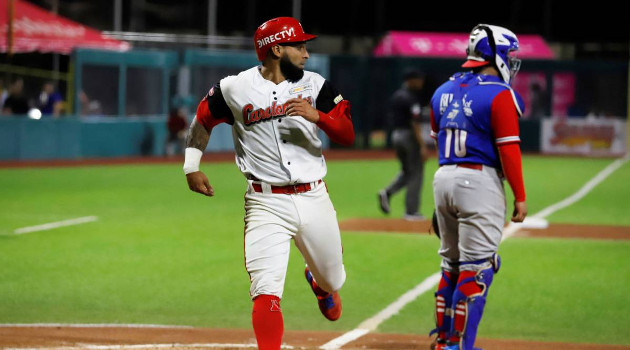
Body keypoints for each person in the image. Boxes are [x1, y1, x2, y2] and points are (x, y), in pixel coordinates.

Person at [182, 17, 354, 350]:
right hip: (265, 202)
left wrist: (319, 116)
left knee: (333, 278)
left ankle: (320, 285)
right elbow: (203, 118)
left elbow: (347, 134)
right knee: (266, 290)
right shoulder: (234, 88)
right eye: (299, 45)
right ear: (276, 49)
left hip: (313, 195)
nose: (306, 53)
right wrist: (191, 167)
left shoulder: (316, 85)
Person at [428, 24, 528, 350]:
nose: (511, 62)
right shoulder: (500, 92)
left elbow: (439, 142)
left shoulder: (442, 90)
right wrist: (520, 197)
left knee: (451, 266)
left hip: (443, 178)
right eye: (508, 55)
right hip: (478, 180)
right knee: (478, 270)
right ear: (494, 54)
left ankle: (444, 340)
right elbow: (509, 149)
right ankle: (462, 346)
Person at [377, 69, 428, 220]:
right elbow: (415, 122)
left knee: (407, 171)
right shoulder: (410, 97)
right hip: (408, 136)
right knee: (416, 173)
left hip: (396, 135)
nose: (421, 82)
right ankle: (411, 211)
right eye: (418, 79)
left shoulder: (397, 95)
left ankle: (387, 192)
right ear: (410, 80)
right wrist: (423, 145)